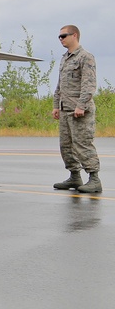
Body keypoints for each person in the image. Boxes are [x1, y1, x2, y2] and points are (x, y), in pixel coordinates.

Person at [52, 25, 101, 193]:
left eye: (63, 36)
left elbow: (89, 84)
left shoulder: (85, 57)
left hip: (80, 111)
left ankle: (94, 179)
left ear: (75, 35)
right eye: (59, 36)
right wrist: (56, 106)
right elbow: (60, 85)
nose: (61, 39)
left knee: (82, 144)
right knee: (66, 146)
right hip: (66, 110)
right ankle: (74, 176)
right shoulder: (65, 58)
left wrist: (81, 105)